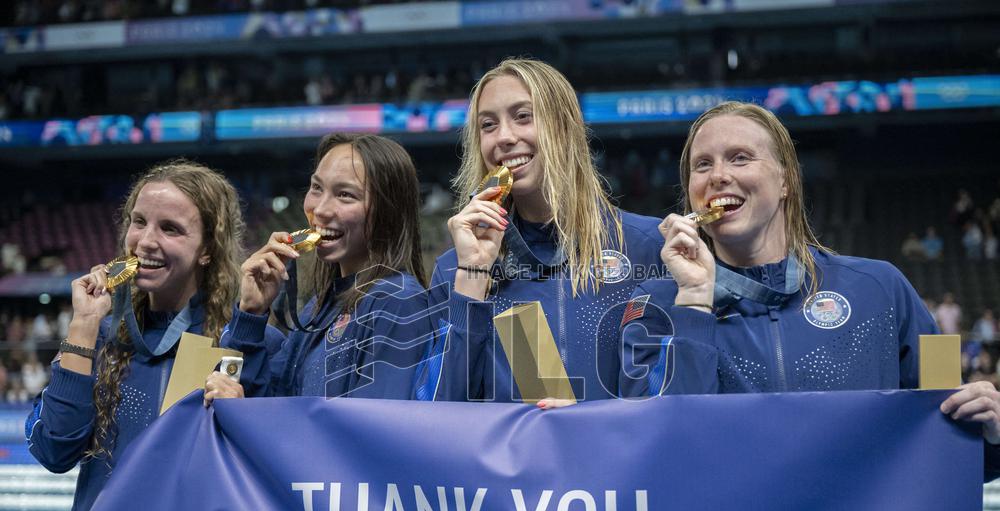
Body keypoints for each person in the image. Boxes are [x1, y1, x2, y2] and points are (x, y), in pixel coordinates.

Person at [619, 102, 1000, 467]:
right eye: (702, 165)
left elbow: (952, 429)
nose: (718, 175)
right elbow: (657, 453)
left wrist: (993, 435)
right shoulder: (654, 306)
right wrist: (694, 304)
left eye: (740, 157)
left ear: (786, 180)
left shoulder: (885, 287)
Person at [25, 160, 245, 511]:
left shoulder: (240, 343)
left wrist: (243, 415)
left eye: (170, 229)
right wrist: (83, 325)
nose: (146, 240)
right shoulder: (102, 331)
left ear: (207, 249)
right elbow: (54, 449)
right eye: (138, 221)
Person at [414, 58, 663, 406]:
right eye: (488, 124)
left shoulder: (647, 247)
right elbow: (436, 412)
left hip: (612, 459)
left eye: (523, 116)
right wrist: (471, 282)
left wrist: (589, 422)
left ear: (564, 126)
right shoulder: (456, 268)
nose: (504, 137)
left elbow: (669, 405)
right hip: (509, 461)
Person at [208, 133, 430, 401]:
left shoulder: (398, 302)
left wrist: (249, 418)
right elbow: (269, 400)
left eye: (345, 195)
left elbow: (371, 433)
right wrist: (251, 314)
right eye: (316, 188)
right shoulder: (320, 305)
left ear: (389, 210)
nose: (320, 210)